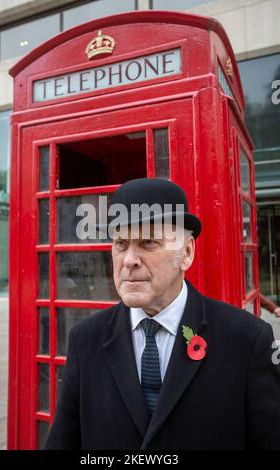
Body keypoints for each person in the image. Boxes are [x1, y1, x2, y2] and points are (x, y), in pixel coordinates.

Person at [45, 178, 280, 450]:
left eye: (148, 242)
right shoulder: (84, 340)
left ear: (186, 252)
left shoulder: (248, 340)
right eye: (121, 244)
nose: (129, 260)